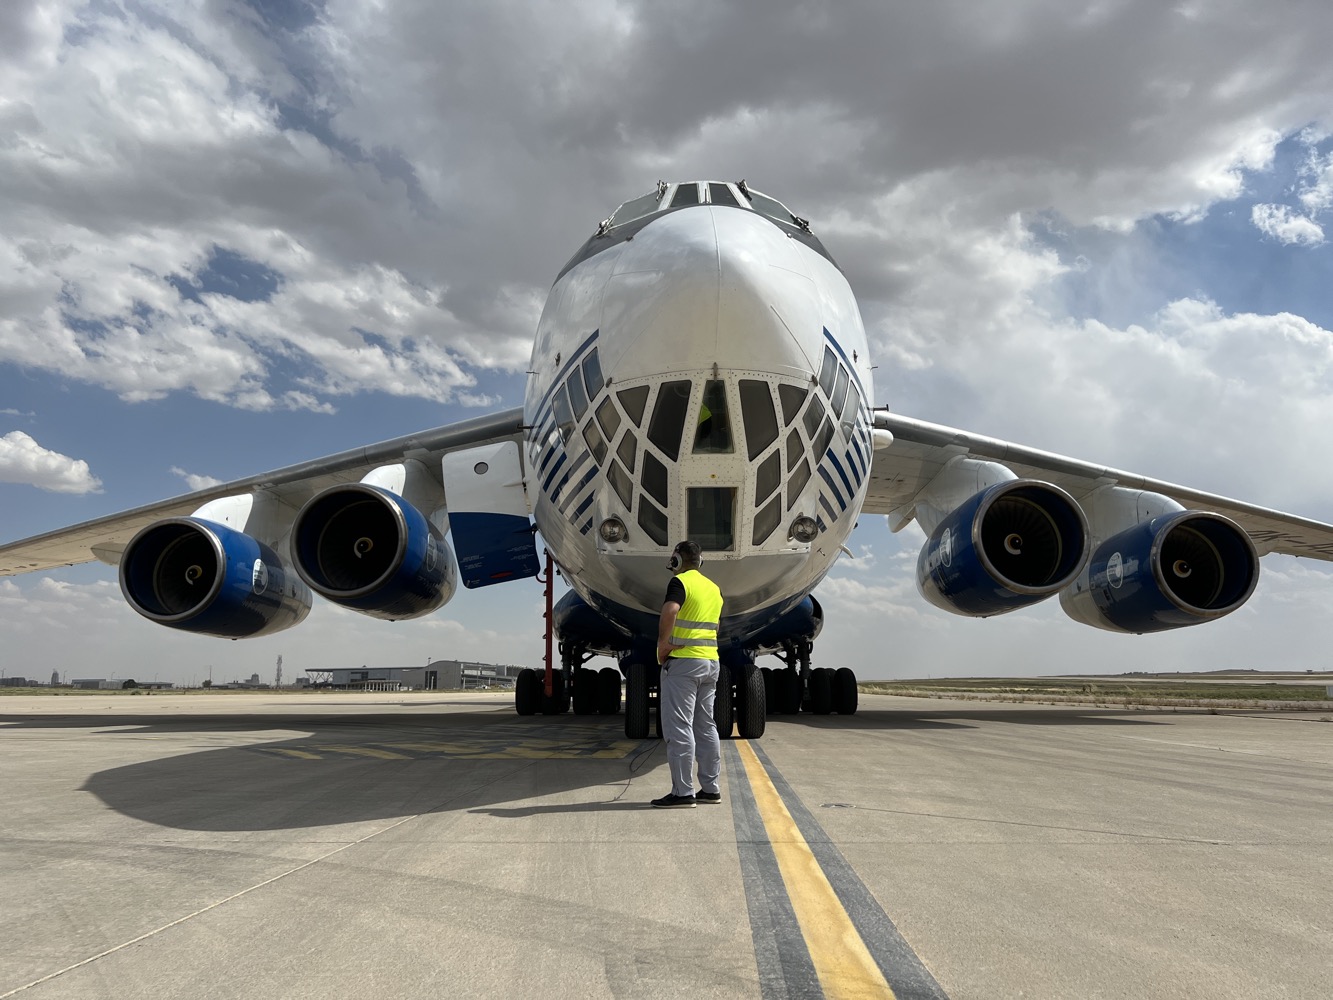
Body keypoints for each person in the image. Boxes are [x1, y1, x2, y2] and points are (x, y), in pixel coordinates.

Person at [650, 540, 723, 809]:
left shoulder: (681, 582)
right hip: (710, 662)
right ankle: (711, 789)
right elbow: (716, 624)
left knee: (679, 726)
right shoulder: (713, 588)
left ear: (676, 560)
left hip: (683, 663)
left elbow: (670, 610)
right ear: (701, 561)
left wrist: (663, 643)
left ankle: (683, 793)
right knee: (706, 725)